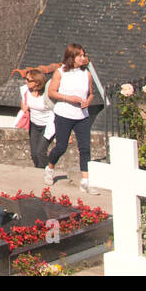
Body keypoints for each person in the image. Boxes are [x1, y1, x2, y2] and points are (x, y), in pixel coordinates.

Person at [44, 43, 96, 191]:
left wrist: (88, 101)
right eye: (80, 55)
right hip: (64, 114)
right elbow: (51, 92)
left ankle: (85, 181)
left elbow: (91, 93)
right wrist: (69, 98)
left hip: (82, 116)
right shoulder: (60, 72)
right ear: (72, 57)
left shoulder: (86, 74)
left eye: (83, 55)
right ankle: (50, 168)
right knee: (61, 146)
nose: (83, 58)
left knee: (85, 147)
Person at [19, 72, 55, 169]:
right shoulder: (25, 90)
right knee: (34, 154)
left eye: (29, 80)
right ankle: (40, 170)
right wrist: (23, 106)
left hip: (48, 125)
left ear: (37, 82)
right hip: (34, 124)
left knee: (40, 152)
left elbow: (55, 108)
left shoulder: (46, 94)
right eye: (26, 79)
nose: (26, 82)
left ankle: (46, 172)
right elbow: (24, 102)